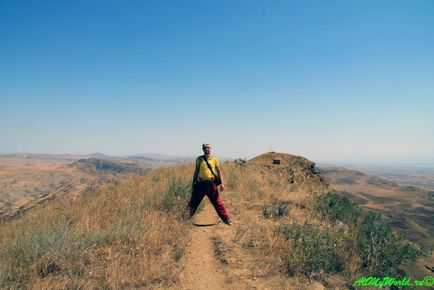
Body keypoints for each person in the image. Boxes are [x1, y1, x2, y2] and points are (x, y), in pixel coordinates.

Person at [188, 143, 232, 225]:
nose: (207, 149)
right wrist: (193, 183)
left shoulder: (215, 159)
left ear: (211, 149)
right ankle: (184, 218)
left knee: (218, 202)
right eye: (205, 148)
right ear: (203, 149)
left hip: (211, 184)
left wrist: (222, 183)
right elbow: (196, 171)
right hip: (200, 183)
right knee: (193, 202)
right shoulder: (199, 159)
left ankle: (226, 219)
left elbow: (219, 171)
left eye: (208, 148)